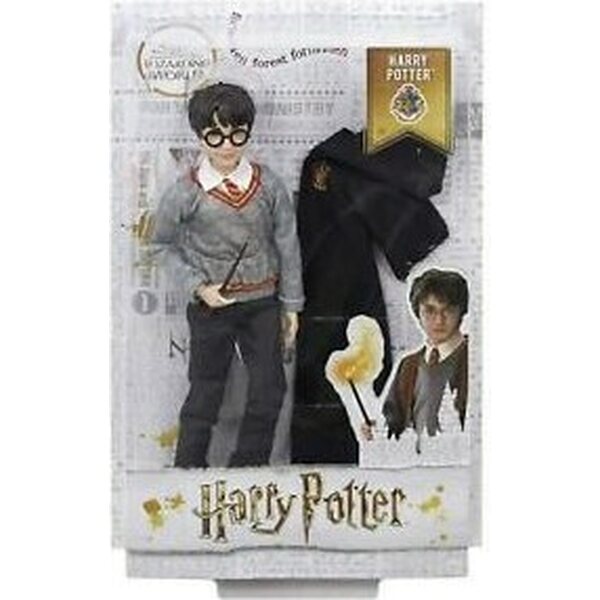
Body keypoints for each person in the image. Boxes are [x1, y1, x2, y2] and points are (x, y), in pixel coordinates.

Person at [151, 82, 304, 468]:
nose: (226, 145)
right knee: (205, 393)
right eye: (214, 136)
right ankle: (189, 470)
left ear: (249, 131)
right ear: (199, 136)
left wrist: (291, 306)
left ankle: (247, 469)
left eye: (237, 134)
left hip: (262, 304)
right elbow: (159, 246)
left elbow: (288, 246)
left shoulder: (269, 185)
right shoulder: (185, 192)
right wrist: (198, 286)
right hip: (210, 308)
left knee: (269, 390)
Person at [376, 268, 469, 451]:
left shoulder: (475, 358)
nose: (439, 320)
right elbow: (392, 424)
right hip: (417, 463)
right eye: (430, 310)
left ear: (461, 312)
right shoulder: (408, 365)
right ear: (417, 313)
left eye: (448, 310)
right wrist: (375, 432)